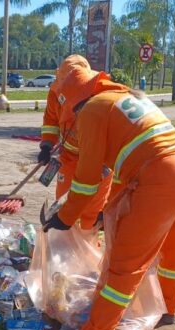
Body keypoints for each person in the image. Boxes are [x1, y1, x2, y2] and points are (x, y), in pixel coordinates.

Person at [43, 68, 175, 330]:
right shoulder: (123, 98)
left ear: (72, 100)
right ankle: (167, 307)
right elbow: (125, 163)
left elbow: (87, 180)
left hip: (162, 175)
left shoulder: (92, 110)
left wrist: (65, 218)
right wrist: (107, 210)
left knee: (125, 266)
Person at [38, 55, 112, 230]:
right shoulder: (55, 93)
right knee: (63, 204)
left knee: (92, 208)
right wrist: (47, 146)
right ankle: (64, 244)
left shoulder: (100, 94)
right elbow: (51, 120)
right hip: (68, 157)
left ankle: (87, 245)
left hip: (98, 160)